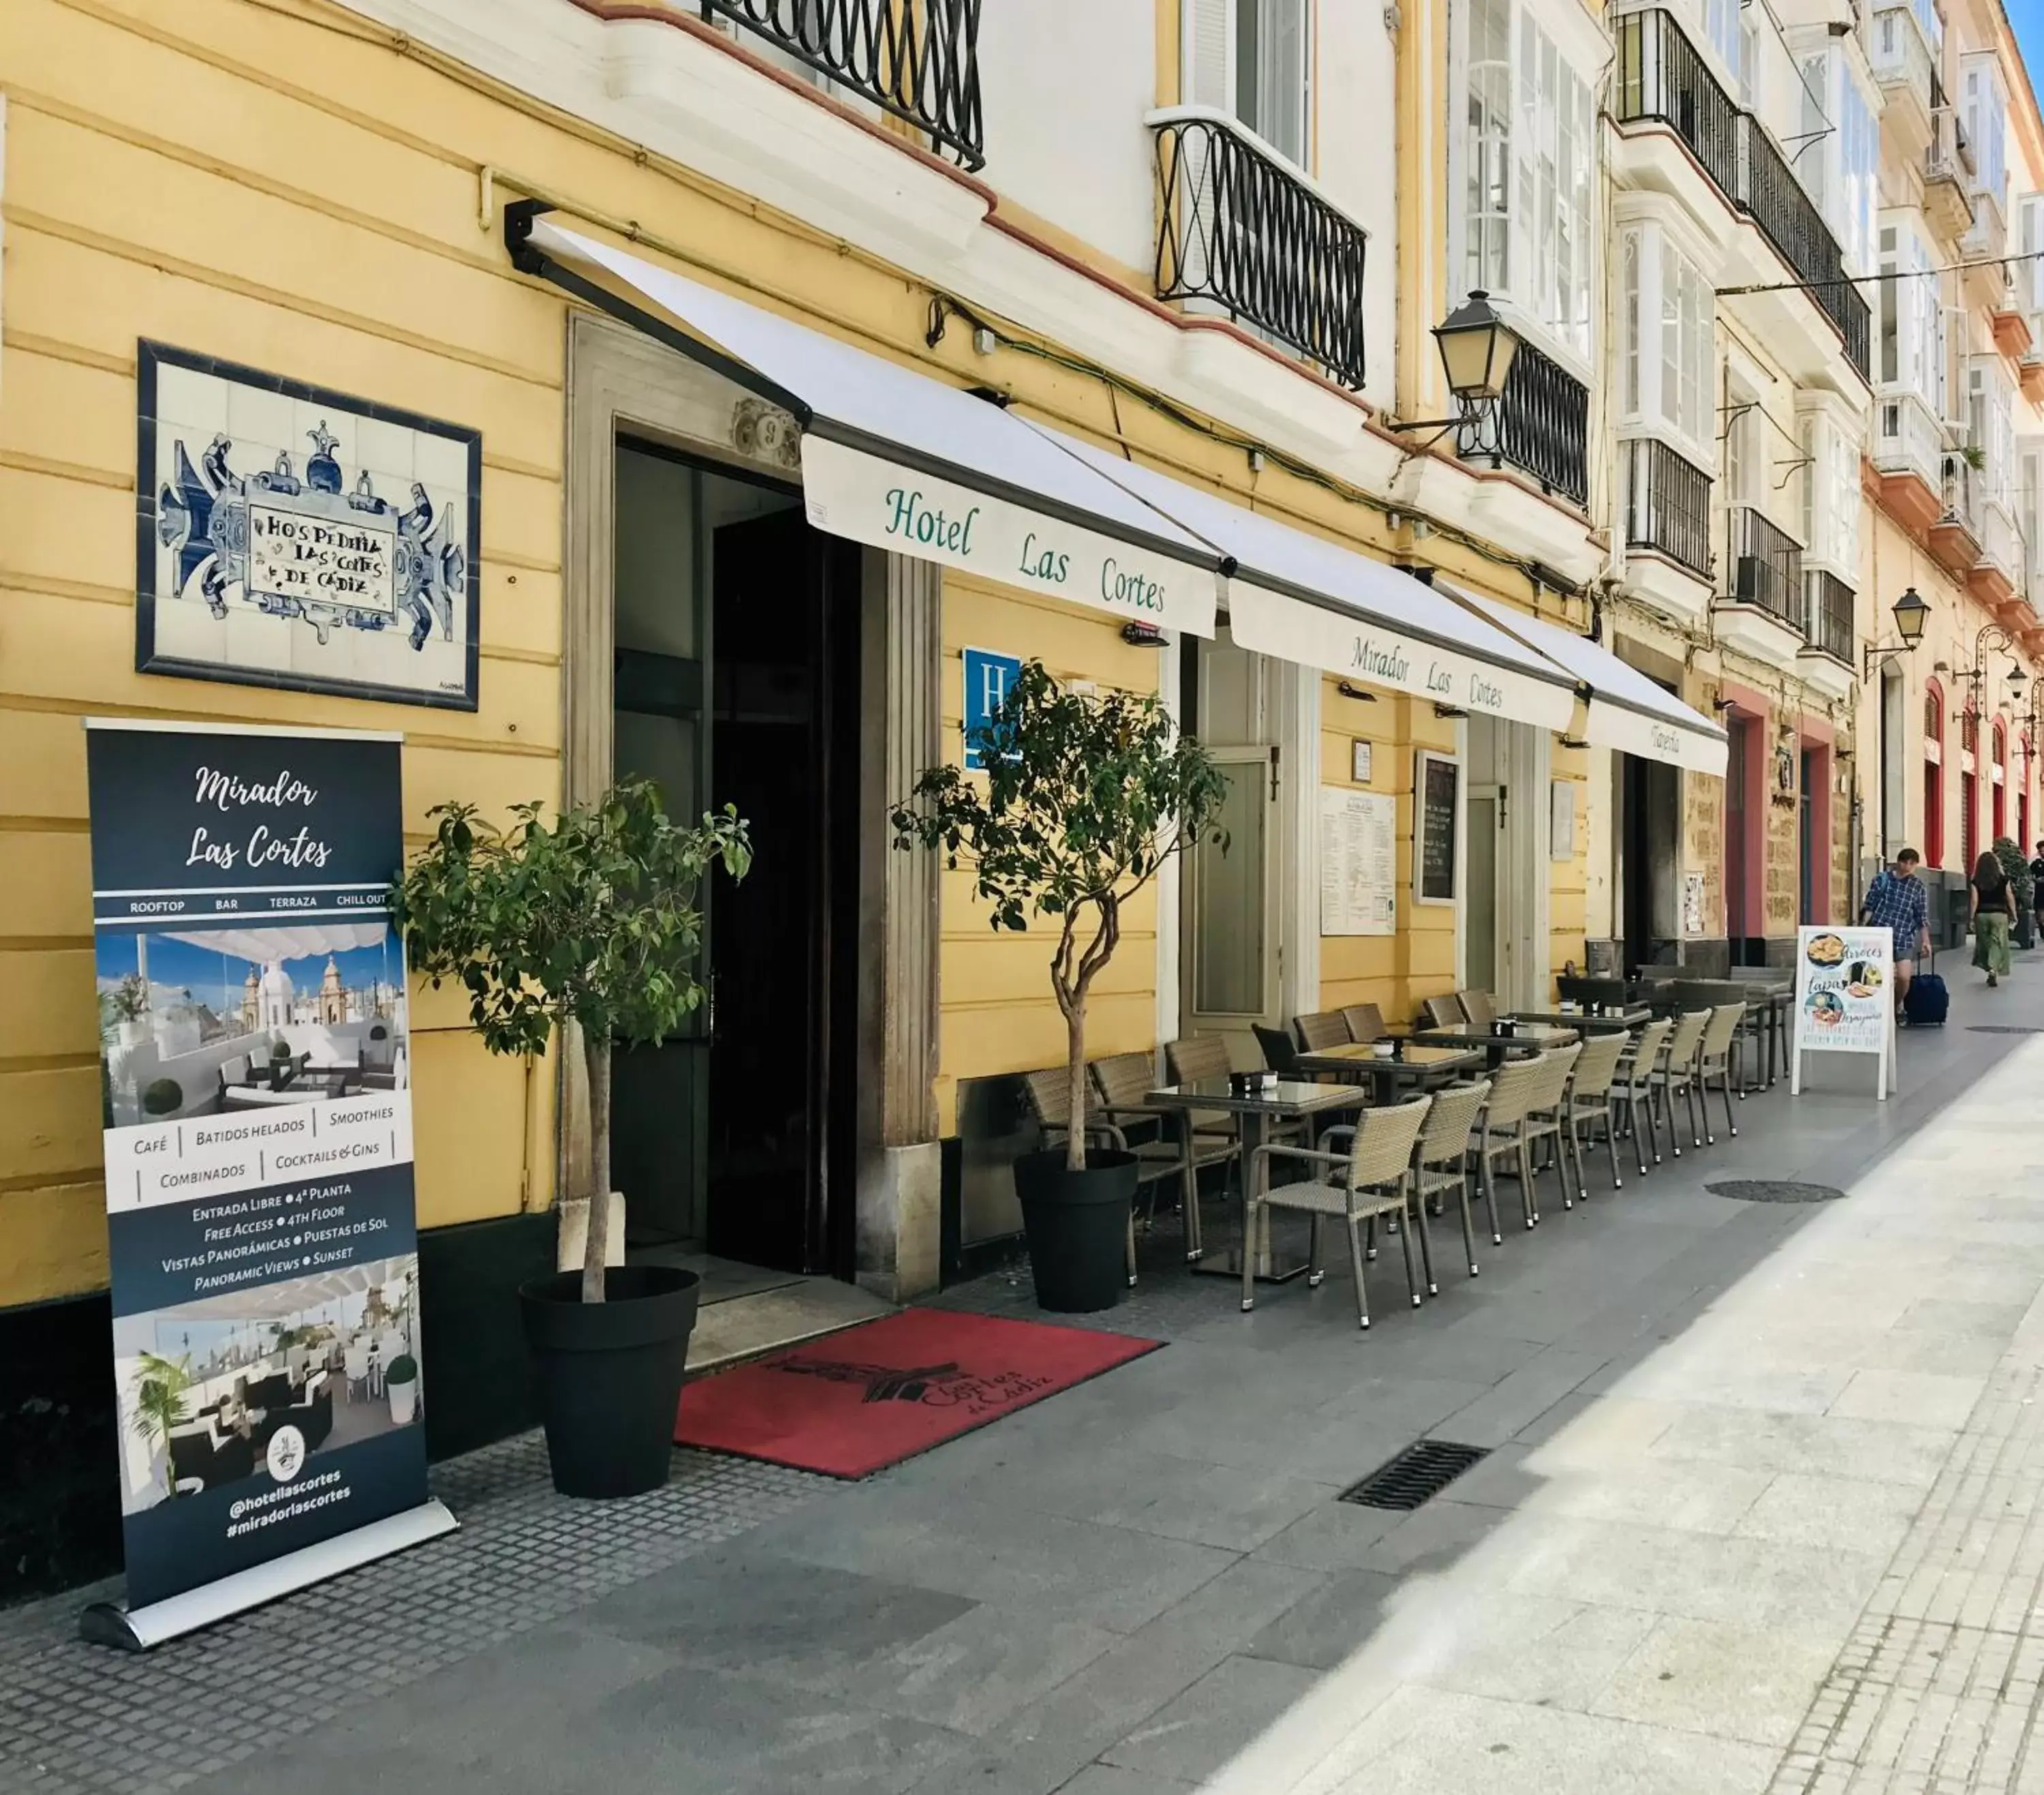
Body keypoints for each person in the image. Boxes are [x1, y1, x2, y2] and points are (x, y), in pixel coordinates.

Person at [1863, 848, 1930, 1015]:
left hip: (1904, 936)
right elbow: (1870, 906)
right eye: (1905, 862)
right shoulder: (1882, 880)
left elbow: (1921, 915)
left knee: (1903, 977)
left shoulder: (1917, 886)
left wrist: (1926, 941)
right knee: (1875, 977)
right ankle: (1877, 1010)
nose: (1908, 866)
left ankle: (1894, 1005)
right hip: (1879, 935)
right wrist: (1863, 930)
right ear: (1898, 862)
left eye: (1912, 863)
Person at [1972, 849, 2016, 987]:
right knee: (1997, 942)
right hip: (2000, 914)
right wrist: (2014, 914)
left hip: (1982, 914)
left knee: (1985, 943)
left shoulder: (1976, 881)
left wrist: (1971, 918)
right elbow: (2009, 897)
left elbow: (1974, 900)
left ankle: (1989, 967)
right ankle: (1993, 970)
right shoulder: (2004, 880)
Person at [2030, 840, 2044, 940]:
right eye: (2041, 851)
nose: (2043, 853)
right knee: (2040, 913)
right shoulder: (2036, 862)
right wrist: (2035, 879)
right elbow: (2030, 874)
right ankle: (2042, 931)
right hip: (2040, 890)